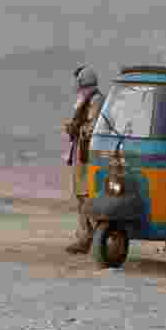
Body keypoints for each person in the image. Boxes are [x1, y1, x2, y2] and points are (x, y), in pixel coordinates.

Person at [63, 66, 104, 254]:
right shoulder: (85, 100)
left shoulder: (95, 100)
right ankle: (85, 237)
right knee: (81, 196)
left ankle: (92, 238)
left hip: (87, 155)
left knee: (87, 195)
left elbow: (93, 126)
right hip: (80, 153)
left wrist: (76, 128)